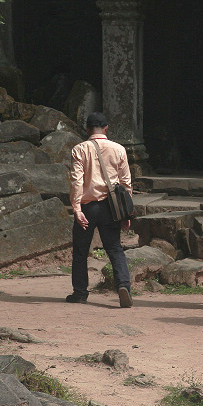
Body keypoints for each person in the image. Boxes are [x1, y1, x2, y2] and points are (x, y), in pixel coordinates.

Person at [67, 111, 133, 308]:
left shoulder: (79, 149)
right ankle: (123, 286)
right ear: (106, 128)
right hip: (110, 208)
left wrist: (76, 208)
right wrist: (126, 213)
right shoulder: (119, 149)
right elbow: (126, 183)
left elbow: (76, 181)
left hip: (87, 206)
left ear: (87, 129)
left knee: (80, 251)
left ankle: (80, 293)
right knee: (114, 249)